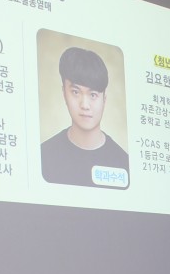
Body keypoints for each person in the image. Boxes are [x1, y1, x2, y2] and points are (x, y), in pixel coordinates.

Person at [40, 47, 129, 187]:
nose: (85, 105)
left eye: (93, 95)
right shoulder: (43, 156)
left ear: (104, 99)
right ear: (64, 93)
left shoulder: (124, 162)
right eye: (75, 92)